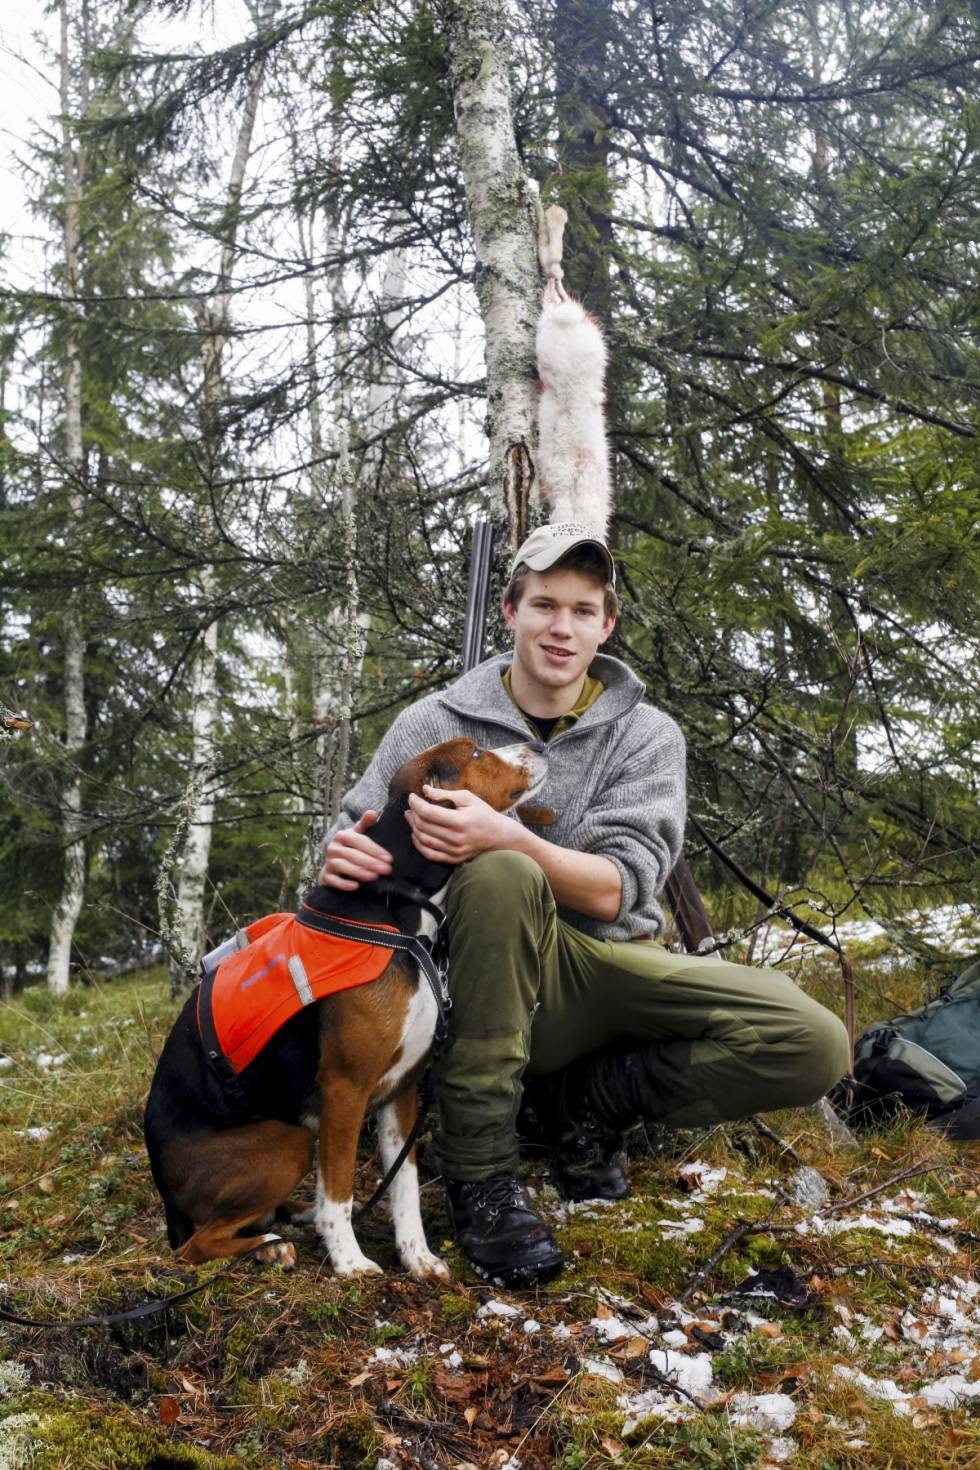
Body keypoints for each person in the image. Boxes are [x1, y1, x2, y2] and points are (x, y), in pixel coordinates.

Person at [319, 523, 850, 1287]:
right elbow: (357, 833)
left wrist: (505, 834)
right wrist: (344, 853)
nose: (560, 627)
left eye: (581, 609)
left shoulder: (646, 735)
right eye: (543, 604)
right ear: (510, 612)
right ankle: (482, 1176)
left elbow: (616, 885)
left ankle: (580, 1105)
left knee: (812, 1040)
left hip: (602, 968)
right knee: (499, 879)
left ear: (607, 625)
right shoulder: (434, 721)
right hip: (470, 987)